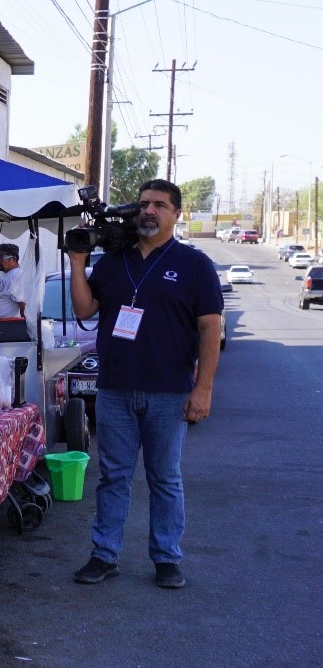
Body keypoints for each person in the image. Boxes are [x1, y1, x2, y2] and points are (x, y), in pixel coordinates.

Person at [66, 179, 222, 589]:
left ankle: (167, 558)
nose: (148, 210)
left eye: (159, 205)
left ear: (176, 214)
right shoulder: (113, 262)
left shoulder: (194, 264)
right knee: (113, 477)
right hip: (115, 388)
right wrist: (78, 263)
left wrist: (202, 388)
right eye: (143, 204)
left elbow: (209, 328)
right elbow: (85, 308)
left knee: (164, 478)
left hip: (169, 391)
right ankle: (104, 555)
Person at [0, 243, 31, 342]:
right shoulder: (3, 273)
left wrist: (25, 329)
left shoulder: (18, 276)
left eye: (1, 258)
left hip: (5, 327)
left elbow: (23, 305)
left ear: (13, 259)